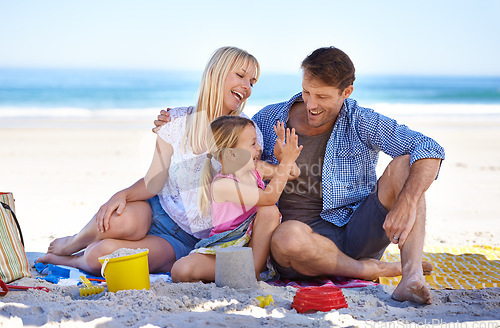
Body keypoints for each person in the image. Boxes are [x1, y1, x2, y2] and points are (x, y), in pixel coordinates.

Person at [154, 47, 444, 305]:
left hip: (358, 229)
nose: (311, 104)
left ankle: (411, 276)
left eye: (322, 96)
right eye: (307, 92)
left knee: (408, 165)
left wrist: (407, 199)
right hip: (299, 241)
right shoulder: (268, 120)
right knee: (287, 237)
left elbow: (428, 147)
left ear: (346, 92)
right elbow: (227, 155)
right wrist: (181, 122)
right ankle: (369, 270)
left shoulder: (361, 120)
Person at [36, 46, 273, 276]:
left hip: (187, 239)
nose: (247, 87)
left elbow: (250, 186)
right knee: (119, 219)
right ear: (215, 73)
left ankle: (73, 260)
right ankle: (73, 242)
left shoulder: (248, 134)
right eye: (241, 76)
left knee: (101, 255)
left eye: (252, 82)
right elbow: (155, 180)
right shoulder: (175, 121)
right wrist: (122, 195)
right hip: (158, 210)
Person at [171, 116, 302, 282]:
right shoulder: (223, 184)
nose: (259, 148)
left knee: (269, 211)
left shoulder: (257, 169)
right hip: (227, 247)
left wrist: (284, 157)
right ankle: (237, 271)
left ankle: (253, 269)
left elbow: (292, 173)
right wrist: (286, 162)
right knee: (181, 270)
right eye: (253, 144)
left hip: (255, 248)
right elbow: (269, 196)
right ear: (232, 154)